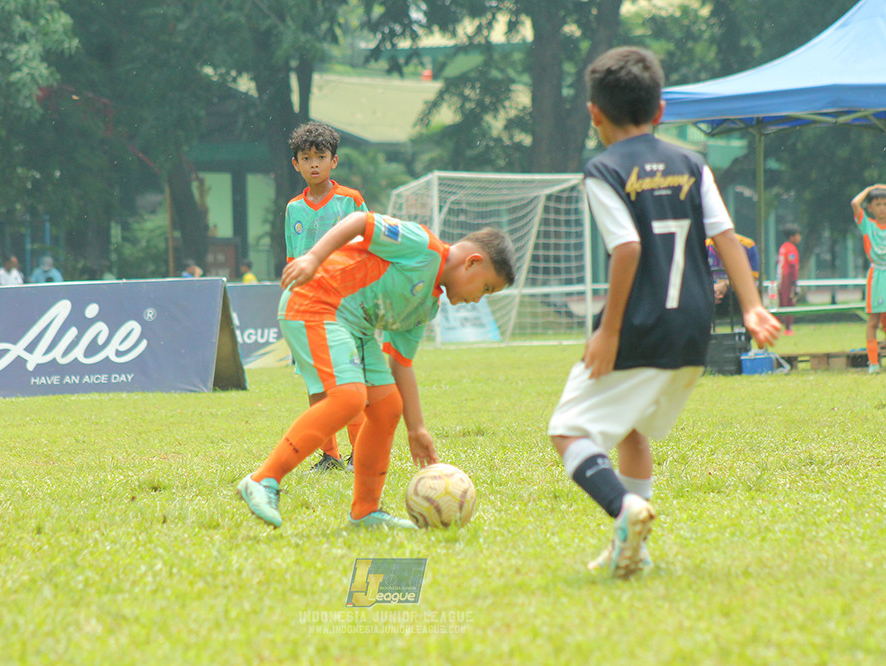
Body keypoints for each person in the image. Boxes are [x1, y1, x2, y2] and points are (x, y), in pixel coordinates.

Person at [546, 47, 781, 580]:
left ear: (593, 114)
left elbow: (627, 250)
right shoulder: (691, 164)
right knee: (630, 429)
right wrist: (752, 307)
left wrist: (608, 331)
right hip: (691, 328)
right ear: (660, 111)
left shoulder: (603, 170)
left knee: (567, 428)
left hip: (640, 325)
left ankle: (624, 508)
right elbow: (725, 237)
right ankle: (636, 546)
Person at [237, 211, 516, 529]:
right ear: (473, 262)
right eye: (487, 289)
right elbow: (359, 221)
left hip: (354, 326)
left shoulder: (427, 305)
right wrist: (313, 257)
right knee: (349, 399)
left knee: (387, 406)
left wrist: (417, 428)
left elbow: (400, 363)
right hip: (316, 299)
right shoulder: (422, 246)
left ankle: (365, 511)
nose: (478, 300)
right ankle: (262, 480)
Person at [285, 121, 370, 472]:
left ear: (334, 161)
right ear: (296, 164)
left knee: (350, 380)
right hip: (307, 308)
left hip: (347, 306)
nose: (314, 164)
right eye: (307, 158)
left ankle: (360, 452)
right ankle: (329, 455)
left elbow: (368, 247)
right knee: (316, 381)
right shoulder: (293, 209)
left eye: (321, 156)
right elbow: (293, 259)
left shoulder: (351, 201)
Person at [851, 184, 886, 373]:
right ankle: (873, 362)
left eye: (885, 203)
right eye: (878, 204)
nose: (882, 207)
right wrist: (871, 188)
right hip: (877, 276)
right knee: (873, 321)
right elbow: (855, 203)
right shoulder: (867, 225)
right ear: (871, 207)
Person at [707, 234, 760, 323]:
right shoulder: (704, 247)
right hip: (710, 296)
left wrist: (726, 285)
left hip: (737, 296)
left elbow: (752, 278)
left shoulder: (747, 246)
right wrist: (709, 290)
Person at [777, 225, 801, 335]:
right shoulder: (791, 248)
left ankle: (777, 328)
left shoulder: (783, 247)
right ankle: (788, 329)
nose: (799, 237)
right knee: (789, 304)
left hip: (781, 279)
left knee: (781, 304)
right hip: (787, 280)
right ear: (792, 237)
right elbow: (792, 266)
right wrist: (794, 283)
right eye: (798, 235)